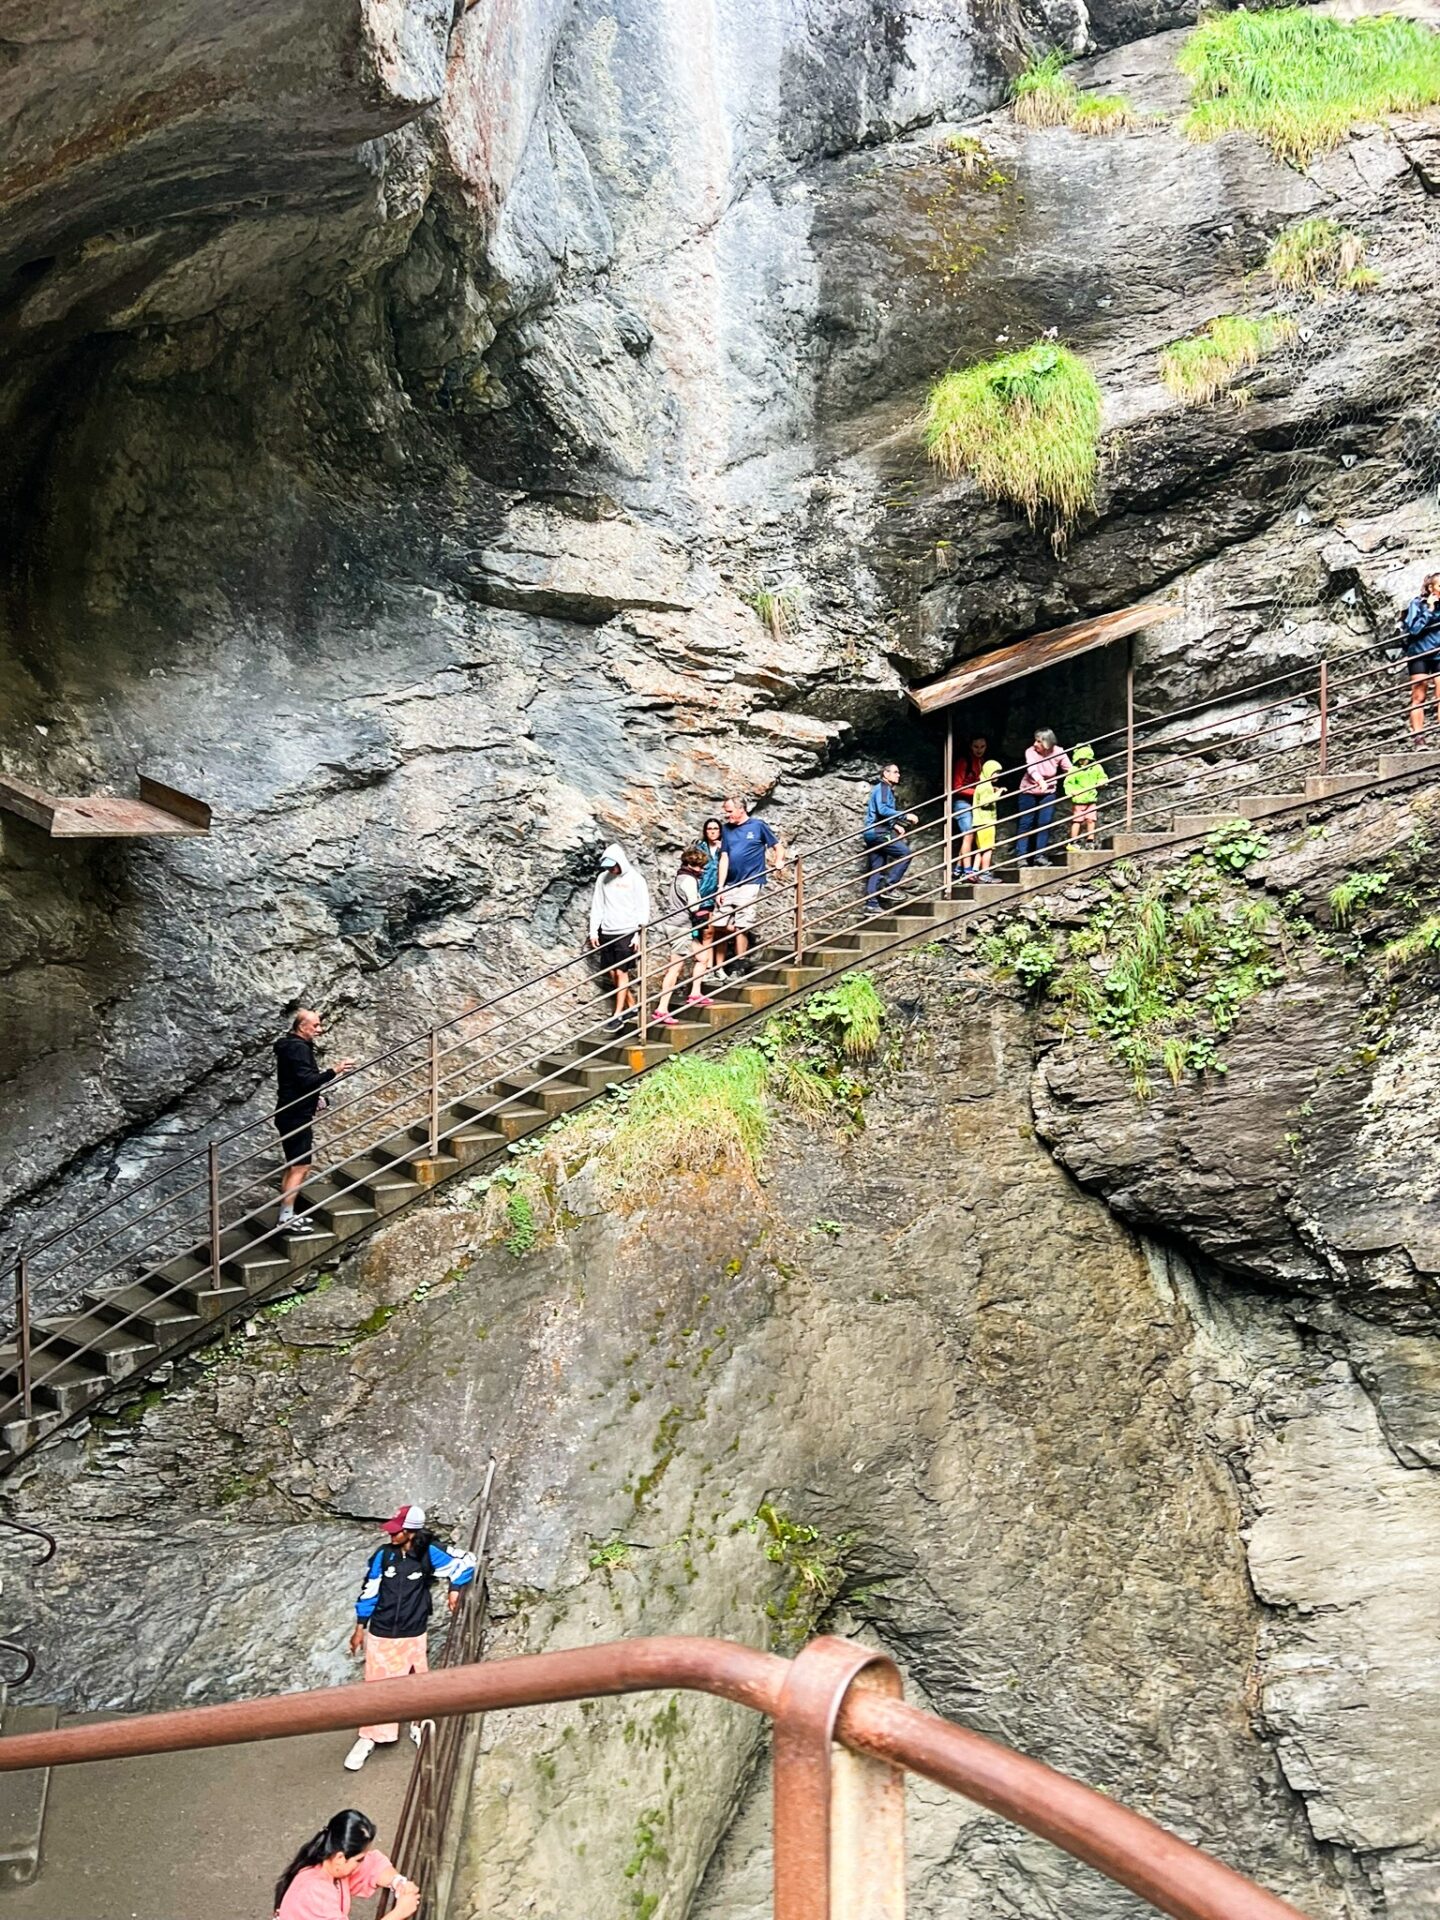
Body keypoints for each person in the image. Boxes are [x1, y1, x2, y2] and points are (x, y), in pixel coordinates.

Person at [344, 1504, 476, 1773]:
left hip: (413, 1628)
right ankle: (371, 1735)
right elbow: (370, 1590)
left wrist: (454, 1589)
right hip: (381, 1629)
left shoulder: (430, 1553)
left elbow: (467, 1562)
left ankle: (419, 1723)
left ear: (411, 1531)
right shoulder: (384, 1555)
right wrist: (360, 1626)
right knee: (376, 1684)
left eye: (397, 1531)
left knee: (416, 1680)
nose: (392, 1535)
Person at [274, 1010, 354, 1228]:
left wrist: (314, 1100)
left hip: (291, 1112)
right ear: (302, 1027)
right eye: (316, 1026)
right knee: (301, 1167)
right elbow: (307, 1080)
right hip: (295, 1116)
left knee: (294, 1166)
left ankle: (286, 1213)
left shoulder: (291, 1046)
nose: (319, 1030)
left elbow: (296, 1082)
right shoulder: (298, 1048)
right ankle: (286, 1218)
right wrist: (335, 1070)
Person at [274, 1809, 419, 1920]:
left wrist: (398, 1882)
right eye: (359, 1859)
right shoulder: (316, 1892)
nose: (362, 1863)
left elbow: (373, 1865)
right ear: (340, 1858)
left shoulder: (325, 1862)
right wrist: (399, 1913)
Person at [713, 796, 783, 975]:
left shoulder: (757, 826)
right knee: (718, 924)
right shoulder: (727, 830)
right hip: (730, 883)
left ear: (741, 809)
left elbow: (777, 846)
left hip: (751, 881)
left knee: (741, 925)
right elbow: (725, 857)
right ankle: (719, 965)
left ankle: (740, 964)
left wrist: (779, 861)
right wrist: (720, 887)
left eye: (729, 811)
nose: (727, 815)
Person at [587, 844, 651, 1032]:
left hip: (627, 931)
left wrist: (639, 934)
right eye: (608, 867)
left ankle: (617, 1015)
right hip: (608, 930)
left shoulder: (635, 879)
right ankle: (632, 1007)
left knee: (622, 972)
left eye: (613, 866)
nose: (611, 870)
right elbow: (597, 905)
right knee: (612, 971)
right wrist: (593, 930)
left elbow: (643, 907)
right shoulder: (603, 879)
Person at [653, 847, 714, 1025]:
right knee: (675, 968)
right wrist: (709, 911)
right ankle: (661, 1009)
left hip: (678, 925)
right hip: (680, 928)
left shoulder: (679, 877)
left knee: (702, 957)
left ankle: (695, 993)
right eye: (699, 866)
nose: (701, 870)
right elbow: (694, 907)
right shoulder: (688, 880)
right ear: (690, 865)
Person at [863, 763, 919, 912]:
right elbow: (882, 809)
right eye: (895, 772)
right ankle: (889, 887)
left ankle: (871, 904)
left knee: (877, 867)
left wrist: (894, 825)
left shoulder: (882, 789)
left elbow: (878, 811)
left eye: (898, 772)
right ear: (885, 774)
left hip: (871, 832)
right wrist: (905, 815)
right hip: (879, 832)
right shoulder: (883, 787)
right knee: (905, 853)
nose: (898, 775)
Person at [1016, 728, 1071, 866]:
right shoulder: (1030, 751)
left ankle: (1039, 856)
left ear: (1047, 743)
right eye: (1035, 740)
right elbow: (1032, 768)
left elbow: (1069, 769)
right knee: (1025, 823)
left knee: (1044, 823)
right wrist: (1040, 781)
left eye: (1039, 741)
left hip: (1048, 792)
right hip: (1028, 791)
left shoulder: (1058, 752)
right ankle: (1021, 857)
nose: (1035, 744)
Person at [1401, 573, 1440, 736]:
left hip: (1439, 653)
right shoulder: (1417, 604)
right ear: (1431, 588)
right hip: (1420, 653)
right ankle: (1418, 736)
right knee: (1419, 695)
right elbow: (1414, 629)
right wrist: (1430, 610)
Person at [951, 735, 988, 880]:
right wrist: (979, 793)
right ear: (970, 747)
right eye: (976, 747)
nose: (979, 750)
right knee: (969, 833)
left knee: (970, 835)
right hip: (961, 801)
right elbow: (957, 787)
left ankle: (958, 870)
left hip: (973, 802)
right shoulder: (964, 762)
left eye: (982, 747)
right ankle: (968, 871)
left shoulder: (981, 762)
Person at [1063, 744, 1109, 846]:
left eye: (1084, 759)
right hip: (1078, 800)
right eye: (1080, 760)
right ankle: (1073, 841)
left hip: (1091, 799)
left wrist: (1102, 782)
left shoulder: (1096, 767)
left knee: (1091, 820)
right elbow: (1068, 783)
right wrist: (1071, 792)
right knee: (1077, 821)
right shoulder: (1074, 770)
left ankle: (1090, 841)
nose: (1082, 762)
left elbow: (1102, 777)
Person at [698, 817, 725, 980]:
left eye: (715, 828)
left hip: (722, 894)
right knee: (707, 933)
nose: (712, 831)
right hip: (704, 896)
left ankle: (719, 967)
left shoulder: (726, 848)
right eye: (709, 829)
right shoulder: (700, 848)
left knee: (721, 931)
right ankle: (707, 968)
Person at [971, 759, 1004, 882]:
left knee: (981, 849)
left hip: (979, 822)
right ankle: (985, 874)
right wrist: (998, 793)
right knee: (988, 849)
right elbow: (985, 803)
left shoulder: (982, 784)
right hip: (986, 822)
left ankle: (974, 872)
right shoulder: (985, 786)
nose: (998, 775)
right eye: (995, 772)